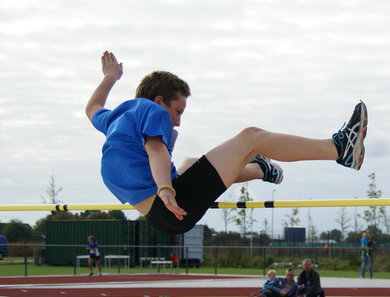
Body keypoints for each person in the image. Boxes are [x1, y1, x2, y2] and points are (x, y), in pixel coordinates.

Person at [86, 51, 368, 235]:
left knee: (190, 164)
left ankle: (261, 170)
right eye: (178, 111)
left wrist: (110, 78)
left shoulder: (117, 118)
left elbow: (92, 108)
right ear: (160, 101)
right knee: (251, 137)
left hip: (161, 217)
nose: (177, 122)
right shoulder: (152, 111)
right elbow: (156, 151)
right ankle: (339, 149)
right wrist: (165, 189)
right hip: (172, 203)